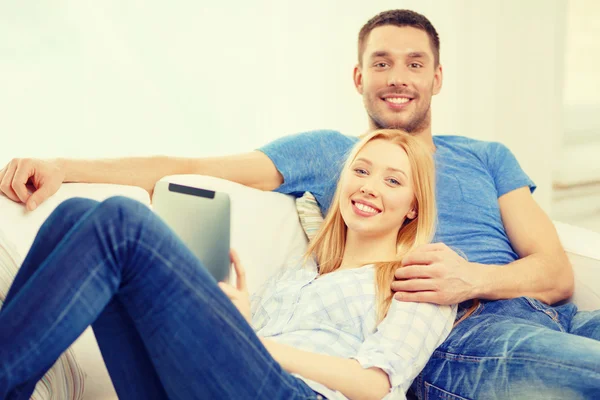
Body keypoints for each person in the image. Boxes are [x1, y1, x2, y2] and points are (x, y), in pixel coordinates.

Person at [1, 8, 599, 399]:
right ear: (357, 77)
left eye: (415, 63)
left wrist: (468, 275)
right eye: (381, 63)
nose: (398, 77)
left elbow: (555, 270)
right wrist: (64, 167)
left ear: (437, 77)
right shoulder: (324, 167)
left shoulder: (485, 156)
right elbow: (195, 167)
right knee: (90, 216)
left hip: (528, 309)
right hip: (471, 332)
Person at [0, 130, 455, 399]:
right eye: (361, 170)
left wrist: (254, 344)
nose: (370, 186)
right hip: (227, 383)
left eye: (393, 180)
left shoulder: (421, 279)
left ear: (413, 207)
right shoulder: (300, 272)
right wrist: (239, 321)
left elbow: (376, 385)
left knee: (123, 221)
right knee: (73, 216)